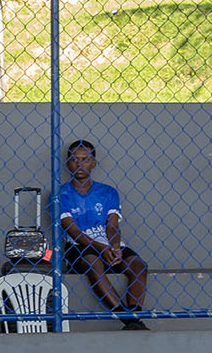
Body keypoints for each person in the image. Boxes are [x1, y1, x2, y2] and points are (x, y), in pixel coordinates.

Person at [57, 140, 151, 330]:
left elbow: (113, 226)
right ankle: (130, 321)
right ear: (67, 163)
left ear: (94, 163)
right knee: (94, 263)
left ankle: (134, 313)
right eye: (75, 159)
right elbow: (73, 231)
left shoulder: (108, 192)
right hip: (79, 247)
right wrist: (102, 248)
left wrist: (114, 246)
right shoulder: (60, 193)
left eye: (85, 159)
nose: (80, 164)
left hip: (107, 244)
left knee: (139, 266)